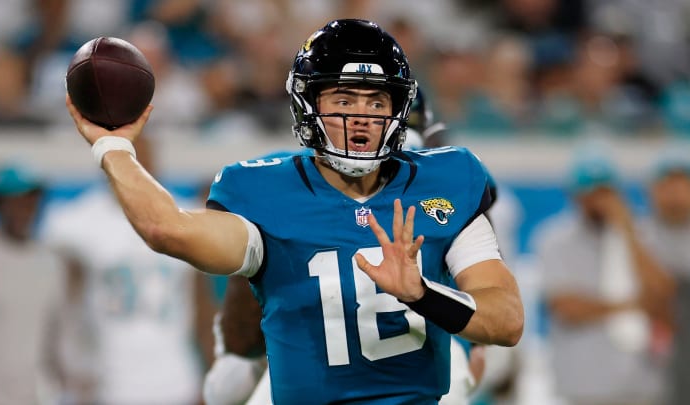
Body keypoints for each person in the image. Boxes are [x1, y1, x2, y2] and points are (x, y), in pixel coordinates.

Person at [67, 18, 524, 404]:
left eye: (376, 101)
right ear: (309, 104)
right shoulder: (264, 192)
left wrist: (422, 294)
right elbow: (166, 230)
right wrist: (114, 146)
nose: (361, 117)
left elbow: (505, 319)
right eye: (344, 100)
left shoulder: (445, 180)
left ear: (400, 109)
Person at [40, 135, 216, 405]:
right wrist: (73, 372)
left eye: (144, 157)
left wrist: (210, 377)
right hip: (108, 385)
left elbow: (202, 308)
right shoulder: (75, 223)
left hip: (177, 379)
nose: (139, 168)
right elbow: (64, 310)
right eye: (129, 158)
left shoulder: (187, 217)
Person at [532, 150, 668, 405]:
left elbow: (662, 295)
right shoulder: (554, 239)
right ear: (575, 196)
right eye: (590, 193)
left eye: (604, 193)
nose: (598, 202)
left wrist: (627, 231)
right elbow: (567, 307)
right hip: (585, 383)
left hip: (643, 382)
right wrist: (631, 305)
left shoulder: (643, 233)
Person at [0, 162, 67, 404]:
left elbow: (53, 331)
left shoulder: (50, 261)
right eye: (14, 201)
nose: (24, 209)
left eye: (30, 200)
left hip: (37, 395)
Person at [641, 146, 690, 405]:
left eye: (681, 184)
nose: (674, 194)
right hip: (643, 368)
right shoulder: (637, 236)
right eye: (666, 186)